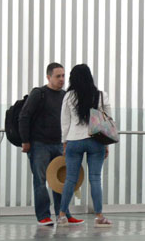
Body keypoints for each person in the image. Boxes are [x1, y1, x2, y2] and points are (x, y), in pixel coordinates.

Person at [19, 63, 83, 226]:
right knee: (40, 180)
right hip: (39, 144)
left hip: (59, 144)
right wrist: (25, 140)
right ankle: (43, 216)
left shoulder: (65, 96)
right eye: (58, 76)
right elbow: (24, 116)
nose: (61, 79)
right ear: (48, 77)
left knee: (61, 180)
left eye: (63, 76)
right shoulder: (39, 93)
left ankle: (63, 214)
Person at [58, 64, 112, 227]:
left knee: (70, 179)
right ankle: (99, 217)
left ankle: (62, 216)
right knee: (95, 178)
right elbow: (108, 121)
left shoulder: (69, 96)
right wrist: (106, 144)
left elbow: (65, 121)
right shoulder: (101, 95)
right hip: (96, 140)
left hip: (74, 140)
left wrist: (64, 142)